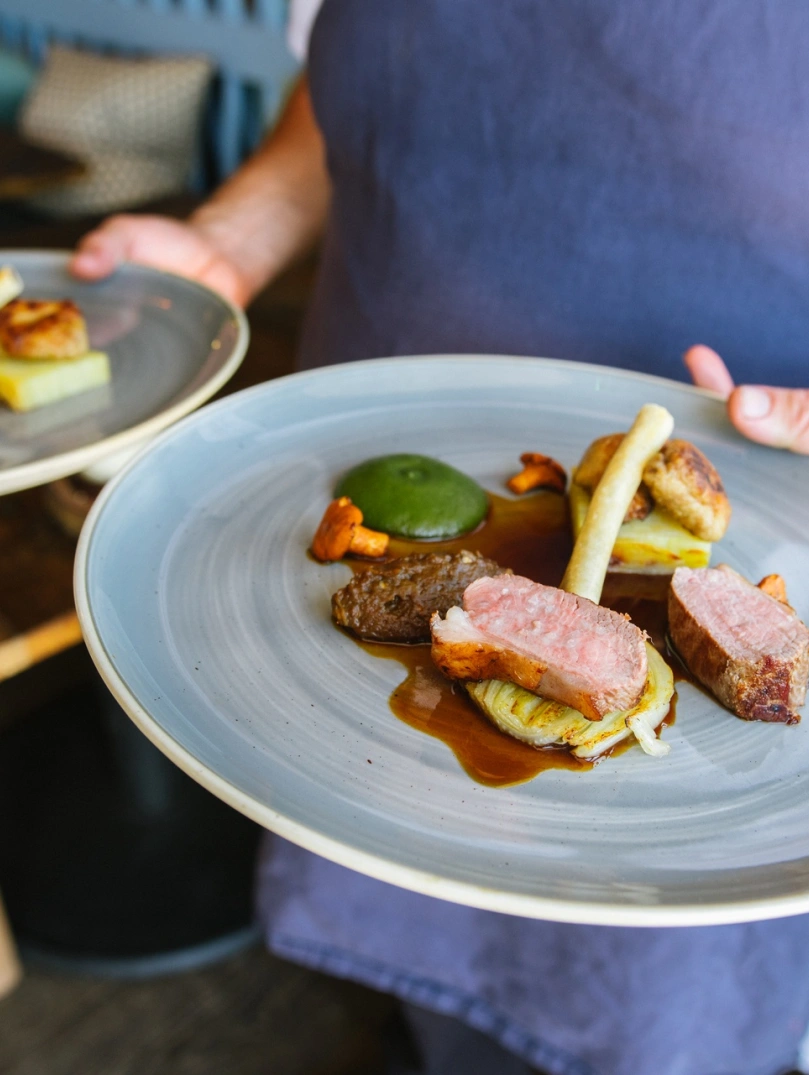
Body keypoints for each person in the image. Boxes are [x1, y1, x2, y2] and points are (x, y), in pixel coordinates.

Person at [71, 3, 809, 1072]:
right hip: (357, 547)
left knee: (643, 1016)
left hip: (715, 635)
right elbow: (349, 102)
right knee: (430, 973)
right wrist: (227, 241)